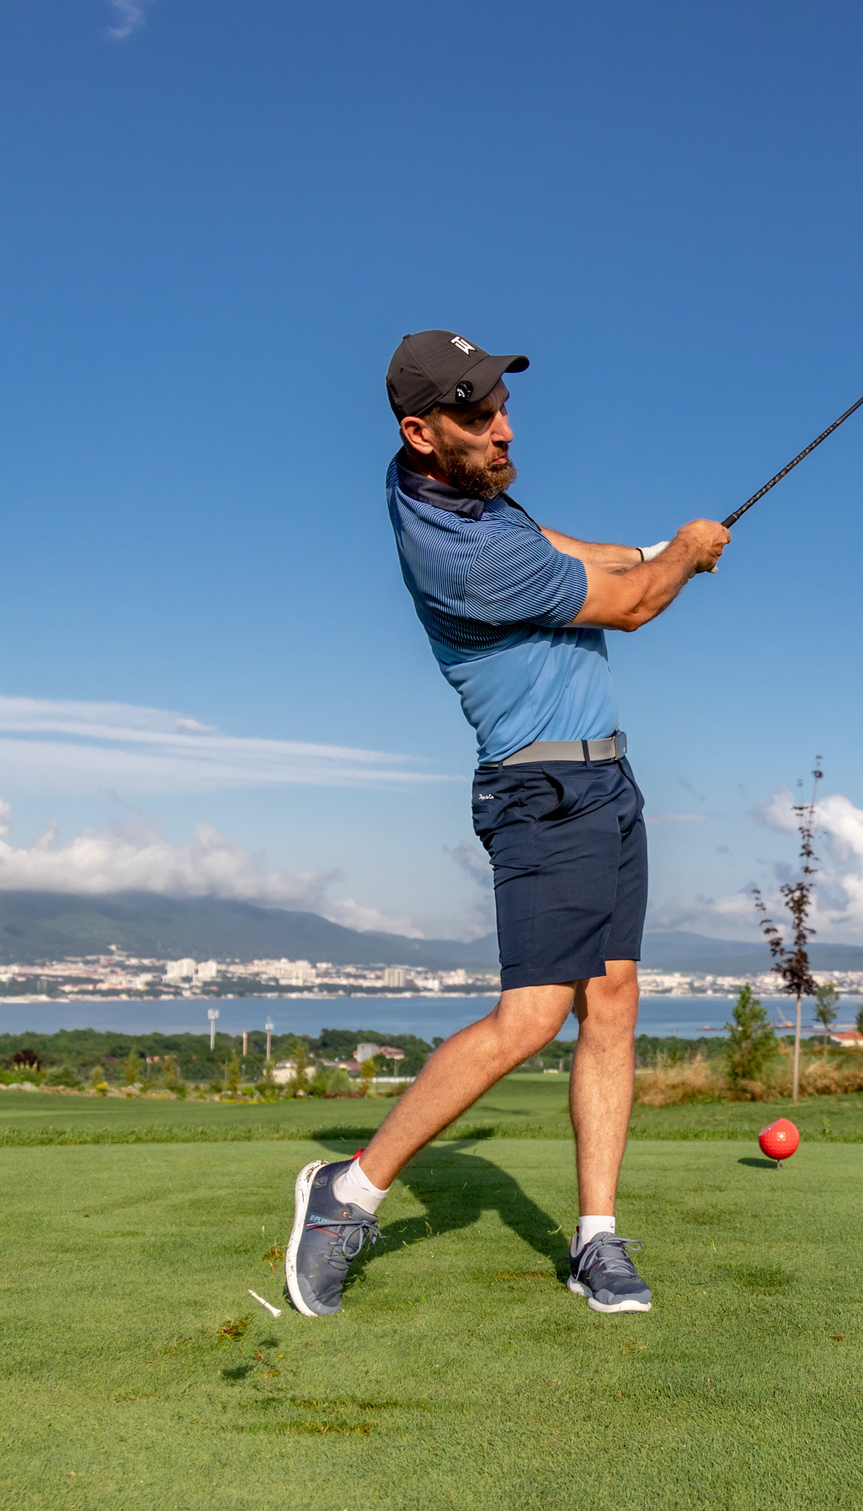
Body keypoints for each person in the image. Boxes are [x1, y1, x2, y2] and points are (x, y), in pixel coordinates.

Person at [285, 329, 728, 1318]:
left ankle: (596, 1238)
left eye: (501, 405)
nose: (503, 429)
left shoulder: (460, 490)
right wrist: (683, 557)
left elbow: (567, 548)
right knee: (531, 1017)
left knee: (611, 1003)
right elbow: (633, 607)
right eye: (477, 415)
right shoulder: (468, 554)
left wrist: (651, 548)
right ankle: (348, 1191)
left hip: (606, 781)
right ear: (420, 430)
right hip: (542, 793)